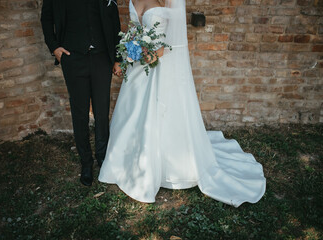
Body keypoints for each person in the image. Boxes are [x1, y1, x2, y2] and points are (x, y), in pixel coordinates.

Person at [98, 0, 266, 207]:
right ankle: (124, 163)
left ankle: (164, 168)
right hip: (138, 66)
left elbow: (176, 39)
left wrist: (154, 53)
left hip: (161, 64)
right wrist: (131, 50)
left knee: (159, 114)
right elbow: (133, 30)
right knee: (131, 112)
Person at [41, 0, 122, 186]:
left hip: (102, 57)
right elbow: (46, 18)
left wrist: (117, 58)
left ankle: (103, 158)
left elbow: (114, 21)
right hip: (73, 58)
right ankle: (86, 163)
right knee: (80, 114)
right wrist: (54, 47)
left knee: (102, 112)